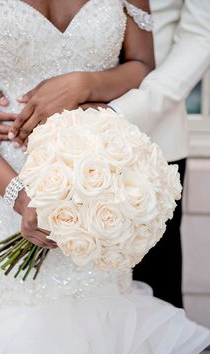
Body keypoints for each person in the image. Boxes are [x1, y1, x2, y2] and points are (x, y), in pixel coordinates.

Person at [0, 0, 209, 353]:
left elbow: (143, 64)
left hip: (101, 175)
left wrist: (88, 85)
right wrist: (18, 196)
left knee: (105, 316)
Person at [108, 0, 210, 308]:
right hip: (38, 131)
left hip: (153, 137)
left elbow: (201, 33)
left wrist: (123, 111)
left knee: (152, 297)